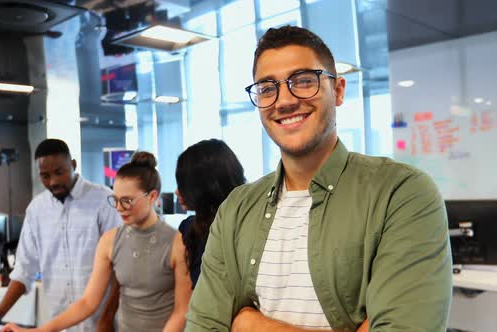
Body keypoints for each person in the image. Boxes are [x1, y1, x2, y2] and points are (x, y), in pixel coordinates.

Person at [185, 26, 452, 332]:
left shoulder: (400, 193)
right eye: (267, 88)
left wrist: (252, 325)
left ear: (338, 90)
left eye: (303, 81)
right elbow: (202, 326)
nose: (284, 101)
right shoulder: (236, 209)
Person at [2, 151, 192, 332]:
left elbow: (182, 311)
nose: (119, 208)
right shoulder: (109, 241)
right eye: (115, 200)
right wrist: (41, 330)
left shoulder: (177, 243)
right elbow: (88, 302)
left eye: (127, 201)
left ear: (152, 197)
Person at [0, 138, 122, 332]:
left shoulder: (103, 200)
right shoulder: (37, 209)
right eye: (45, 176)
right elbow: (24, 270)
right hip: (59, 324)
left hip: (103, 323)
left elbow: (120, 268)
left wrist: (107, 318)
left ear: (73, 165)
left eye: (59, 172)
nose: (53, 181)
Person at [175, 139, 246, 288]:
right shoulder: (190, 229)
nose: (177, 191)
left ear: (204, 185)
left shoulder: (244, 226)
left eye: (183, 184)